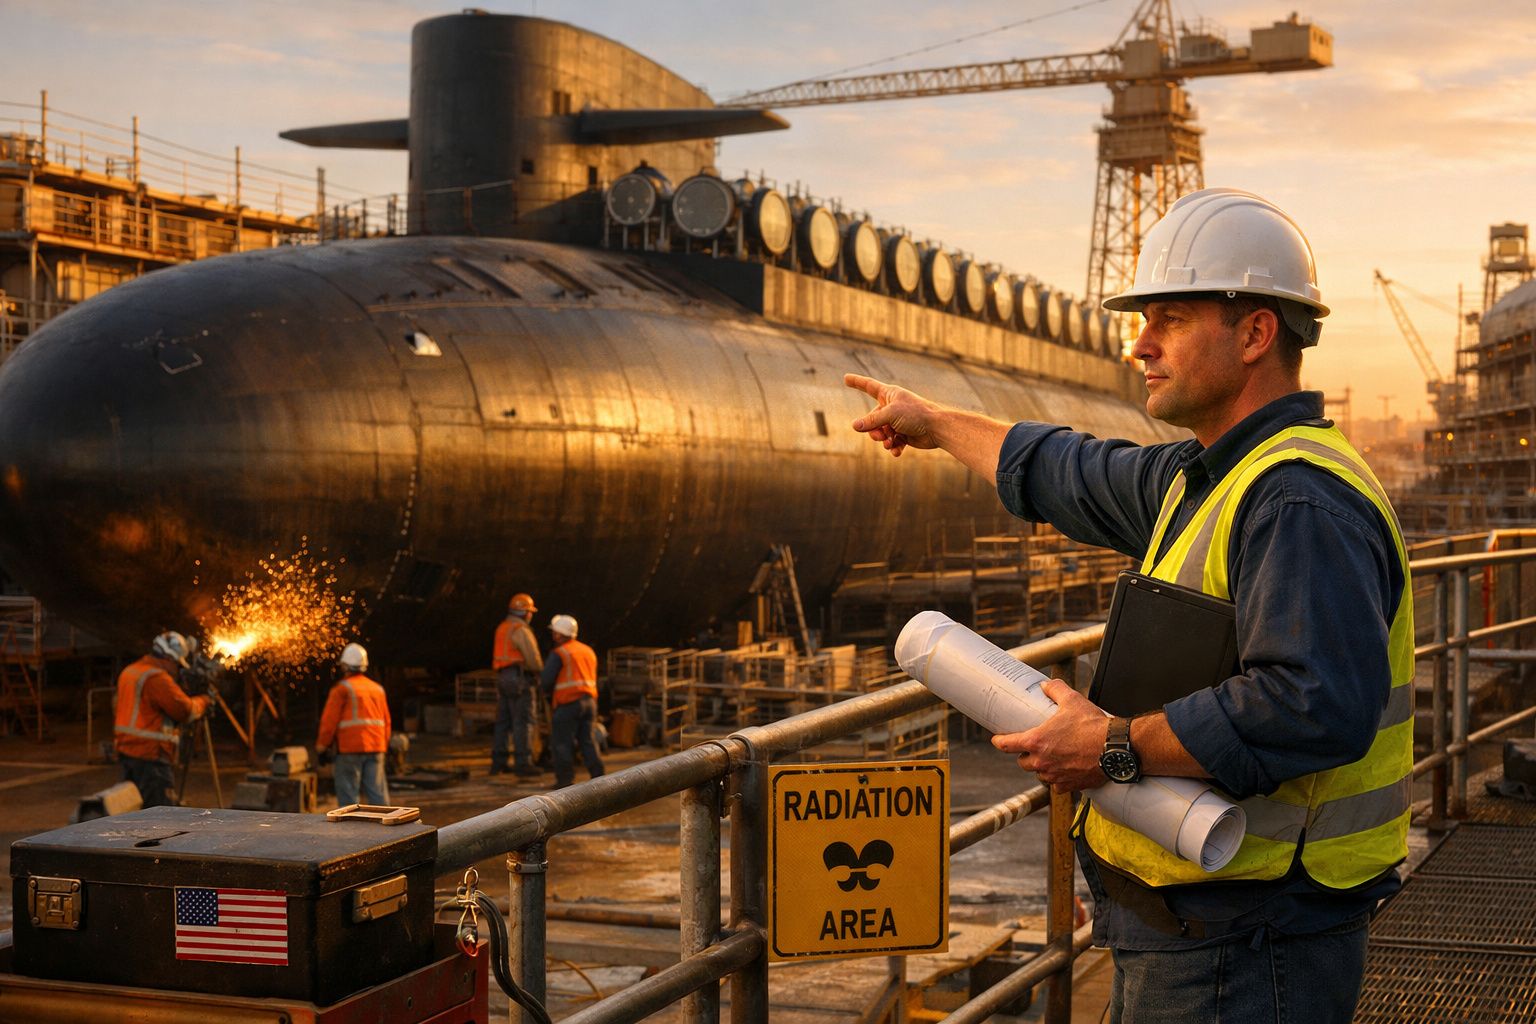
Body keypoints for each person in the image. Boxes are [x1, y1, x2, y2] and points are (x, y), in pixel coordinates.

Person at [846, 188, 1411, 1024]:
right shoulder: (1206, 475)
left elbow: (1312, 703)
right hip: (1197, 928)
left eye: (1169, 320)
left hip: (1250, 943)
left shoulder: (1296, 498)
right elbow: (1064, 468)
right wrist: (932, 422)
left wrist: (1109, 747)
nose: (1139, 344)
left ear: (1255, 333)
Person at [114, 631, 211, 807]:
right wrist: (204, 701)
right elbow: (185, 711)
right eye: (177, 664)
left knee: (133, 809)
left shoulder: (131, 670)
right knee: (160, 813)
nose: (177, 670)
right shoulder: (157, 678)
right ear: (169, 658)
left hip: (127, 752)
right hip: (151, 755)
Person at [316, 642, 392, 807]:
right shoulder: (377, 689)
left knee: (349, 800)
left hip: (348, 750)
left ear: (344, 665)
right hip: (376, 747)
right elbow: (386, 722)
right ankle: (387, 824)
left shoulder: (341, 689)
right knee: (378, 796)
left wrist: (322, 747)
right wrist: (383, 745)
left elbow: (329, 722)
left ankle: (351, 825)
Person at [541, 614, 605, 789]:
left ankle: (564, 781)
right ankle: (600, 778)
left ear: (559, 634)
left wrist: (546, 692)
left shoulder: (560, 653)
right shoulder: (588, 651)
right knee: (588, 741)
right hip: (589, 703)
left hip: (568, 704)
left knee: (562, 743)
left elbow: (546, 680)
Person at [491, 592, 544, 777]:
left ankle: (498, 763)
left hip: (503, 678)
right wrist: (540, 672)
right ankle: (523, 763)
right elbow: (533, 658)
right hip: (519, 678)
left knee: (503, 722)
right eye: (530, 612)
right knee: (523, 721)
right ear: (525, 613)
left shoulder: (502, 627)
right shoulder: (521, 630)